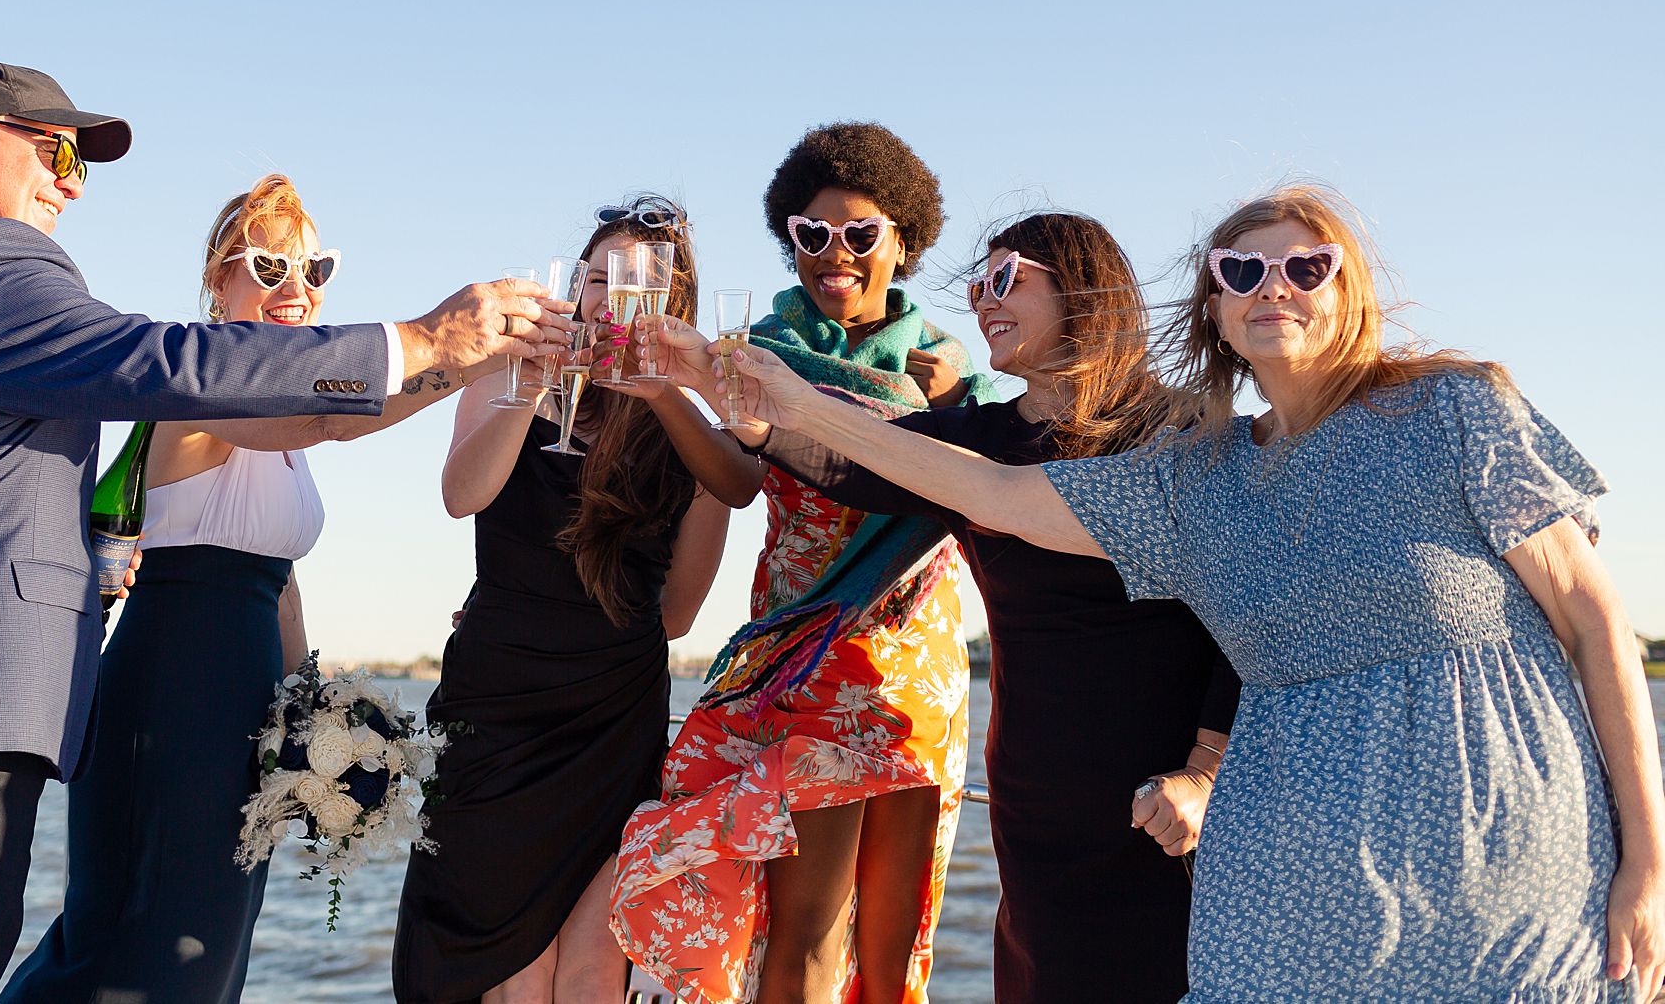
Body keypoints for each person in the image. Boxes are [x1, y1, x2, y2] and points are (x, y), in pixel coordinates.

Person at [0, 62, 570, 1004]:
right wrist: (431, 342)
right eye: (56, 151)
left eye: (82, 165)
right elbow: (162, 361)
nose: (71, 182)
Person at [713, 184, 1665, 1001]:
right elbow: (977, 487)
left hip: (1504, 866)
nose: (1272, 290)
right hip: (1265, 883)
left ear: (1352, 290)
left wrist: (1650, 865)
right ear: (1213, 309)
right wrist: (779, 402)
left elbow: (1595, 625)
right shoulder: (1201, 479)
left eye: (1305, 268)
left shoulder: (1449, 411)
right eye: (1240, 274)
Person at [675, 210, 1239, 1002]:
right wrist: (728, 397)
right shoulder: (980, 440)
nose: (983, 301)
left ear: (1081, 289)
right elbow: (852, 463)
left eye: (1006, 279)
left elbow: (1248, 618)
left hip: (1174, 797)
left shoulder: (1186, 432)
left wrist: (1205, 772)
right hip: (1037, 796)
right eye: (978, 284)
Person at [2, 174, 496, 1002]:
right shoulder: (202, 395)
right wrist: (457, 354)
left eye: (314, 269)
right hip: (172, 696)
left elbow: (280, 583)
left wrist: (310, 713)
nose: (296, 289)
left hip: (247, 701)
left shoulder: (290, 427)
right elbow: (334, 416)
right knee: (139, 943)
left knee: (213, 945)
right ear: (218, 283)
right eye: (268, 268)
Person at [611, 124, 988, 1004]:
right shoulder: (758, 352)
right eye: (811, 234)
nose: (837, 255)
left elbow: (1001, 484)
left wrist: (957, 397)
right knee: (807, 933)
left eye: (862, 234)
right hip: (810, 651)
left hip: (916, 663)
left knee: (897, 945)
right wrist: (678, 392)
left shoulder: (949, 367)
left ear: (904, 241)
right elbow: (739, 481)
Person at [393, 199, 735, 1003]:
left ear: (668, 302)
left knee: (589, 967)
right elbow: (461, 495)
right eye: (595, 278)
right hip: (498, 709)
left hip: (611, 717)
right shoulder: (507, 372)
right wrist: (532, 384)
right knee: (506, 967)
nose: (609, 297)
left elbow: (678, 611)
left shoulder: (688, 429)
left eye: (634, 282)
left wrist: (664, 395)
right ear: (573, 290)